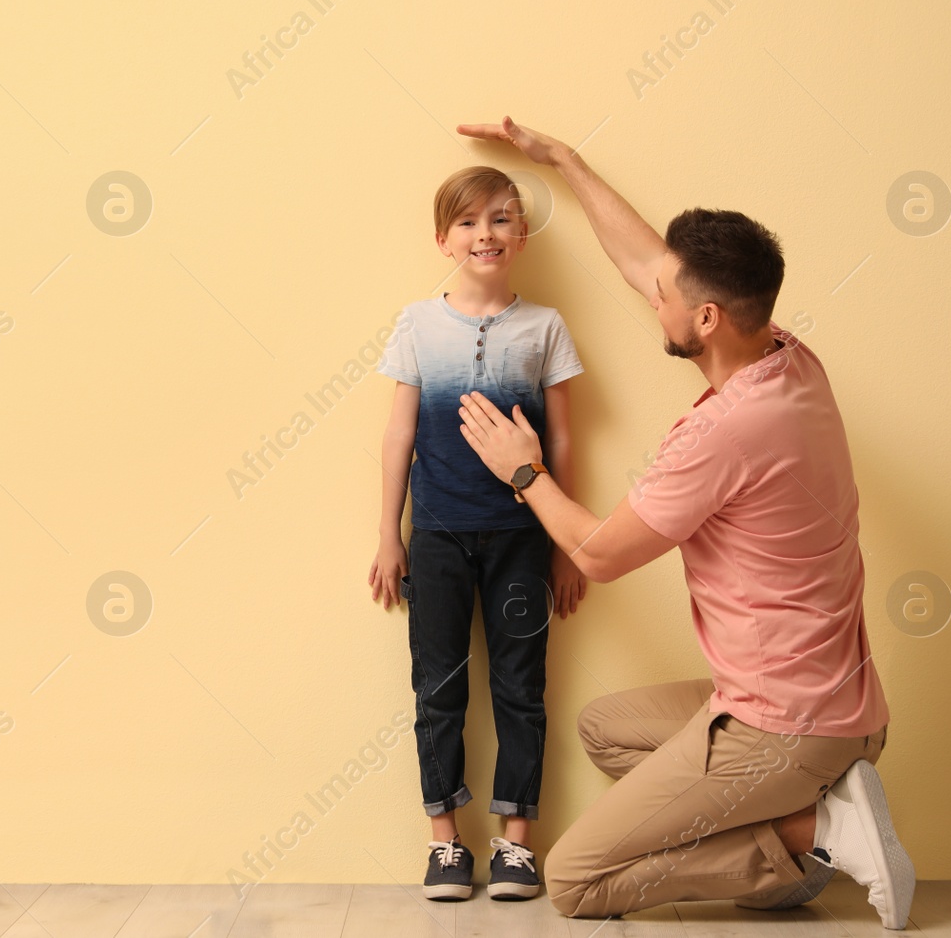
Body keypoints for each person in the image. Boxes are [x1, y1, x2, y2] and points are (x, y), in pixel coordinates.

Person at [448, 117, 915, 929]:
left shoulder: (723, 433)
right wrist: (563, 161)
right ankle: (796, 842)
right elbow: (647, 261)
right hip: (831, 706)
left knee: (579, 879)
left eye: (665, 296)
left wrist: (522, 470)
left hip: (785, 727)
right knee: (607, 729)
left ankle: (817, 832)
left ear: (704, 321)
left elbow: (597, 553)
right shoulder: (789, 357)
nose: (649, 294)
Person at [368, 165, 586, 901]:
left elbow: (563, 438)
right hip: (434, 536)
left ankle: (516, 844)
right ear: (442, 240)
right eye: (467, 221)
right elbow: (398, 434)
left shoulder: (546, 326)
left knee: (521, 688)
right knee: (439, 689)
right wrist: (388, 535)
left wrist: (566, 544)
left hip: (523, 537)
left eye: (499, 218)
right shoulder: (417, 324)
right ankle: (445, 842)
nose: (484, 233)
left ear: (521, 234)